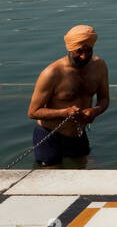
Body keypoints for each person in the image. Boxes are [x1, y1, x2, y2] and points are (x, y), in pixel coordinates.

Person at [26, 25, 110, 168]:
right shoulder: (52, 73)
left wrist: (95, 111)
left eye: (88, 51)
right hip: (50, 135)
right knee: (52, 182)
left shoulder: (99, 66)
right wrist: (65, 112)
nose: (84, 56)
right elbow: (33, 112)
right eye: (79, 52)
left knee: (81, 174)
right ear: (70, 49)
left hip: (78, 134)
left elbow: (104, 99)